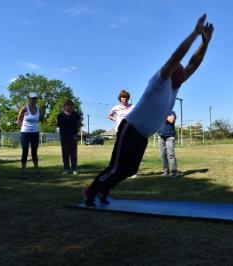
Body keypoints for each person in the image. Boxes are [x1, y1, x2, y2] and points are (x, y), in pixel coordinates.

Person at [83, 14, 214, 206]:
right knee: (117, 167)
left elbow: (193, 63)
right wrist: (195, 33)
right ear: (170, 71)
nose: (182, 73)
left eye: (182, 71)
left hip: (142, 135)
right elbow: (176, 57)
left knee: (129, 169)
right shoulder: (159, 82)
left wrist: (206, 42)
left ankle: (104, 189)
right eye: (178, 70)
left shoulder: (176, 86)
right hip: (130, 129)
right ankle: (91, 191)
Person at [17, 92, 41, 179]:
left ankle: (37, 170)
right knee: (25, 151)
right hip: (25, 133)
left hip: (35, 133)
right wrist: (21, 127)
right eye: (32, 98)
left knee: (34, 152)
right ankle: (23, 171)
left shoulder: (38, 109)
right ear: (29, 98)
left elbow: (38, 120)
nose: (34, 100)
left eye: (35, 98)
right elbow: (18, 119)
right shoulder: (24, 108)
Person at [57, 99, 82, 175]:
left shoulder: (76, 114)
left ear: (73, 107)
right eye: (67, 106)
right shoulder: (60, 115)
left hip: (73, 135)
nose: (69, 107)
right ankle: (66, 169)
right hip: (63, 135)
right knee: (65, 152)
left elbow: (79, 123)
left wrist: (76, 131)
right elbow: (57, 124)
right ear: (64, 107)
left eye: (71, 106)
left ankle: (74, 169)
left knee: (73, 153)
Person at [158, 111, 177, 178]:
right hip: (161, 136)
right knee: (162, 155)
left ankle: (173, 172)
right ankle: (166, 171)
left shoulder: (172, 112)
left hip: (170, 136)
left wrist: (163, 114)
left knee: (170, 154)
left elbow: (171, 120)